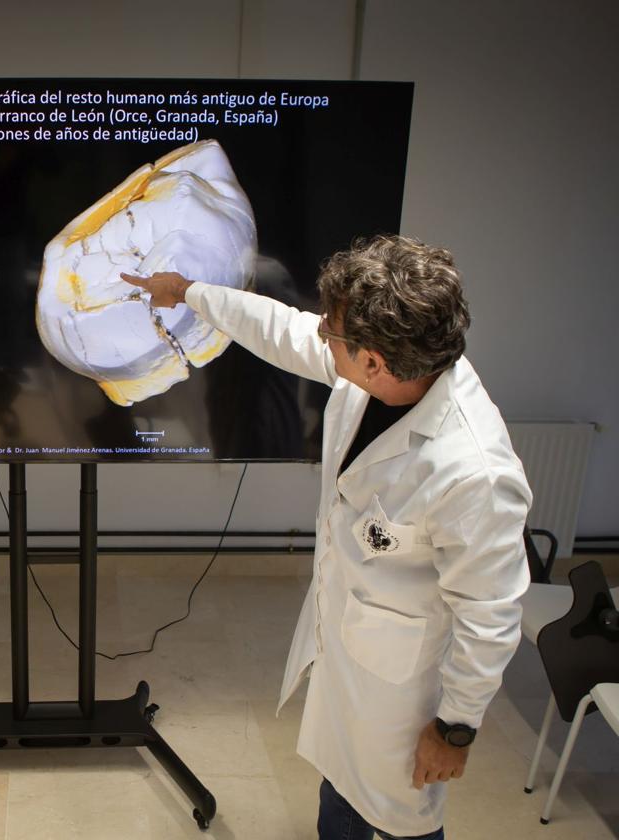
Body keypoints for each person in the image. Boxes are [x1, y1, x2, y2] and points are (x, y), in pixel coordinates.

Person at [123, 235, 531, 840]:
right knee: (338, 795)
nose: (319, 335)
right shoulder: (385, 370)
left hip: (405, 698)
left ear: (373, 361)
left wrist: (454, 730)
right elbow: (278, 327)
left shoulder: (475, 470)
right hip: (349, 657)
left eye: (331, 332)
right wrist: (186, 292)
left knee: (402, 818)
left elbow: (491, 618)